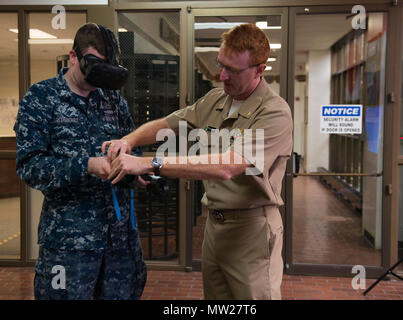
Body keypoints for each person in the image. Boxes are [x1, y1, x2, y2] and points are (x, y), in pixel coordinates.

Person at [103, 23, 292, 300]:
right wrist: (129, 141)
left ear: (259, 70)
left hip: (252, 231)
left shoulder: (274, 112)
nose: (222, 76)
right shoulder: (217, 99)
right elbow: (170, 124)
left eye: (233, 70)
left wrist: (149, 163)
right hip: (214, 227)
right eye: (221, 64)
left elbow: (227, 166)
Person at [14, 23, 147, 300]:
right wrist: (86, 165)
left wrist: (136, 170)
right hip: (68, 244)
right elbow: (30, 167)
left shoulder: (114, 102)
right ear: (73, 56)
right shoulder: (41, 98)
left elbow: (131, 150)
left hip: (120, 242)